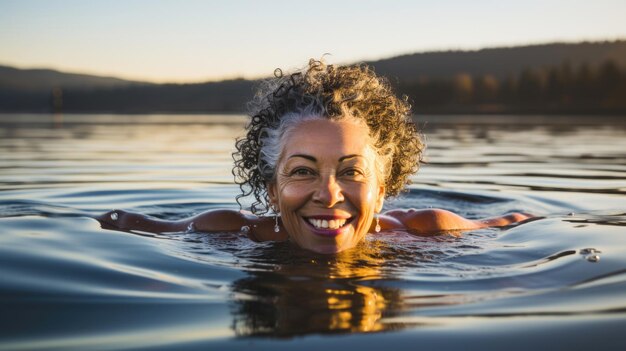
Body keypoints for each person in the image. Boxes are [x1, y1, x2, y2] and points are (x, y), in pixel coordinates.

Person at [97, 60, 531, 254]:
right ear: (271, 191)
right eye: (303, 171)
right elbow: (116, 223)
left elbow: (519, 223)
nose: (328, 194)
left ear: (382, 191)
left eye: (351, 171)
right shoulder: (231, 233)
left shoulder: (428, 231)